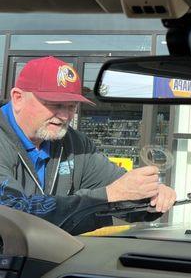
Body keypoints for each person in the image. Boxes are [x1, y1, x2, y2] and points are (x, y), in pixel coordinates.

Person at [0, 56, 177, 234]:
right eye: (55, 104)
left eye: (71, 106)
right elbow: (12, 214)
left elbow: (120, 186)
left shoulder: (74, 143)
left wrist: (150, 197)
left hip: (53, 256)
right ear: (18, 98)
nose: (64, 116)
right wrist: (108, 195)